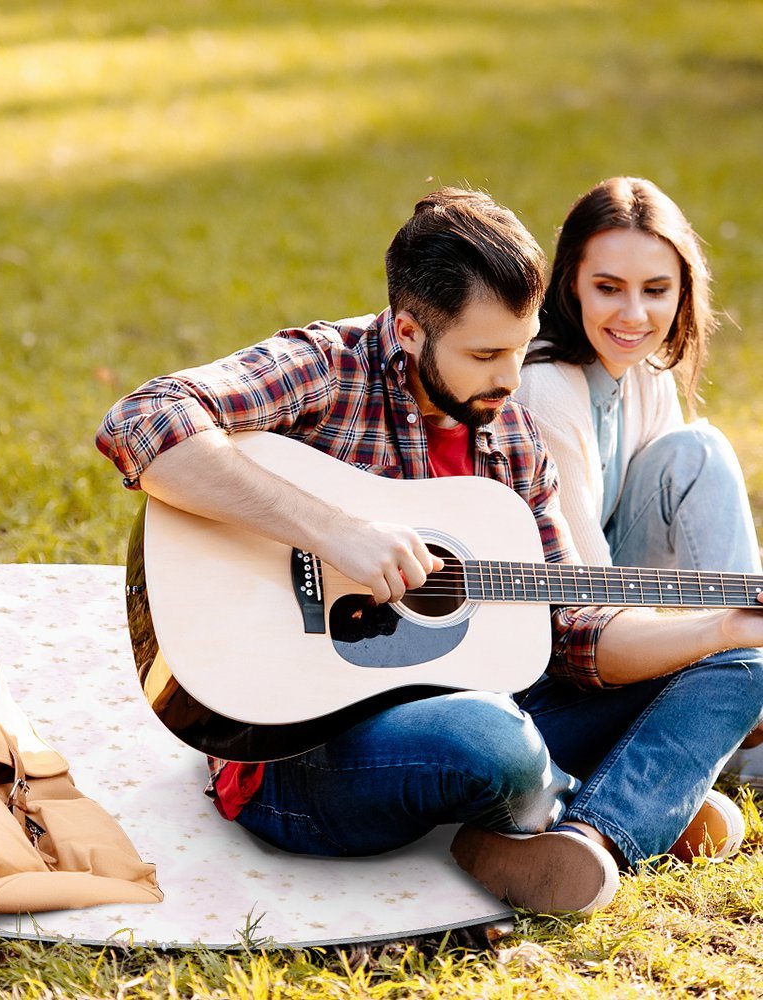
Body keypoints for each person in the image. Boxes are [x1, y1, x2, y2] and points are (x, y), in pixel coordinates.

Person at [96, 187, 763, 916]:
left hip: (485, 709)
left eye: (520, 346)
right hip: (298, 755)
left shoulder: (511, 436)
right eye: (485, 354)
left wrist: (720, 628)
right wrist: (332, 531)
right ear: (409, 330)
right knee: (492, 741)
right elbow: (143, 419)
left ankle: (593, 836)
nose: (511, 380)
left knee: (744, 665)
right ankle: (623, 795)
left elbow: (572, 629)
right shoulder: (327, 367)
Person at [516, 176, 763, 789]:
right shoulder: (546, 386)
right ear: (570, 281)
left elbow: (684, 544)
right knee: (700, 451)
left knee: (694, 451)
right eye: (608, 288)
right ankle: (739, 716)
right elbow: (587, 603)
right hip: (560, 649)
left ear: (683, 291)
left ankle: (741, 698)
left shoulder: (645, 370)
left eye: (656, 290)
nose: (634, 315)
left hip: (626, 613)